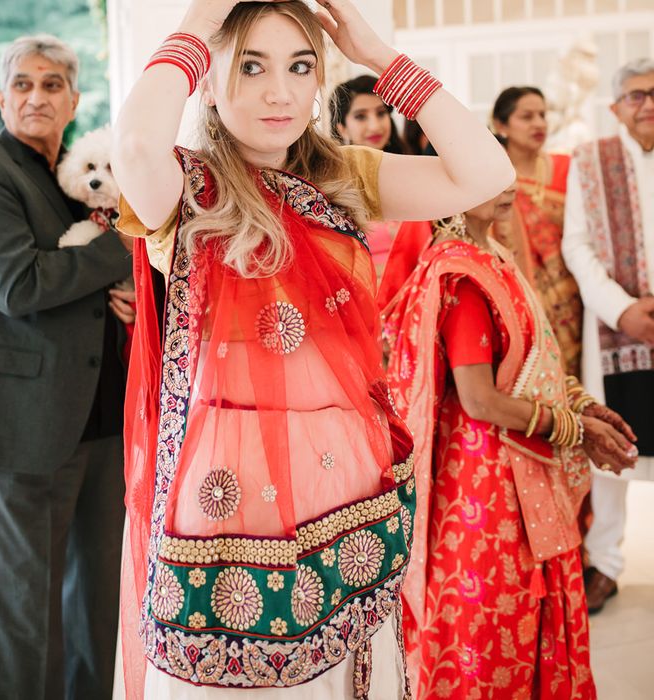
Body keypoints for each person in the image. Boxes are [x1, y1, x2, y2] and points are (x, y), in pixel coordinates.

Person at [111, 0, 514, 697]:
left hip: (345, 497)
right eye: (252, 66)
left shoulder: (345, 179)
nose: (281, 92)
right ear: (207, 78)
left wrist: (381, 57)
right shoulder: (186, 193)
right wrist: (201, 24)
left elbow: (484, 174)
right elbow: (139, 147)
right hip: (229, 516)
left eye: (301, 67)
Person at [0, 35, 134, 699]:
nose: (37, 96)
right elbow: (15, 284)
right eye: (22, 84)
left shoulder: (80, 176)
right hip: (23, 427)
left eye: (52, 85)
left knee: (95, 612)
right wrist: (125, 250)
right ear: (0, 98)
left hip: (104, 421)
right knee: (27, 617)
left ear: (74, 100)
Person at [381, 190, 637, 699]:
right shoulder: (463, 277)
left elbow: (528, 369)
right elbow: (481, 401)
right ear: (454, 191)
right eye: (488, 176)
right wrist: (574, 430)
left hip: (518, 469)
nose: (508, 186)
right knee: (491, 623)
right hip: (485, 488)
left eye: (505, 173)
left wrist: (583, 405)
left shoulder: (497, 256)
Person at [562, 57, 654, 614]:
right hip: (618, 325)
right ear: (617, 107)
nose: (648, 104)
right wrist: (623, 312)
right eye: (636, 95)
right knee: (616, 445)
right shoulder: (590, 160)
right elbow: (579, 245)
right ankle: (606, 564)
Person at [491, 86, 583, 378]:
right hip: (521, 299)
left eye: (542, 115)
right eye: (527, 116)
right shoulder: (492, 178)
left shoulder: (568, 167)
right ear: (501, 125)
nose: (539, 123)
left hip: (575, 295)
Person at [329, 74, 405, 285]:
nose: (375, 126)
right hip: (364, 299)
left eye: (381, 114)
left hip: (416, 300)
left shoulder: (409, 172)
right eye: (361, 117)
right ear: (341, 127)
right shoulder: (331, 186)